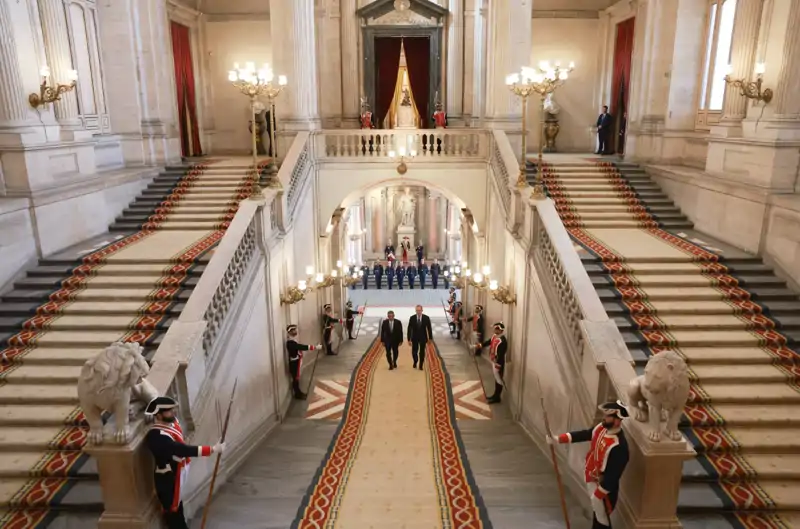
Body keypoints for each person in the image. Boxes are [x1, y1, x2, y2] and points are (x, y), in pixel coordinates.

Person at [144, 396, 225, 529]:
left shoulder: (171, 423)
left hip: (178, 473)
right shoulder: (155, 437)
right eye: (169, 411)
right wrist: (212, 449)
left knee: (178, 507)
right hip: (168, 479)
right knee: (173, 512)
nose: (173, 413)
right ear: (158, 415)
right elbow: (180, 449)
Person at [547, 402, 631, 529]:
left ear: (617, 421)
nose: (604, 418)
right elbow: (586, 434)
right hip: (592, 478)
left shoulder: (619, 447)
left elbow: (613, 476)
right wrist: (558, 439)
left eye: (608, 416)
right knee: (597, 514)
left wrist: (599, 494)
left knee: (602, 519)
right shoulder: (601, 428)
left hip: (604, 489)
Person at [286, 325, 323, 399]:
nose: (295, 332)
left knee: (296, 379)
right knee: (295, 379)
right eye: (293, 331)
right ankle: (297, 394)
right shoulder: (290, 343)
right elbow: (301, 347)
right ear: (290, 332)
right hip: (294, 364)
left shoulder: (293, 342)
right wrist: (315, 347)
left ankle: (298, 393)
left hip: (296, 362)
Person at [475, 322, 507, 403]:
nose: (495, 330)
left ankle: (497, 397)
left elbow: (501, 353)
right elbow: (488, 342)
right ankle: (495, 395)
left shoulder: (503, 340)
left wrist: (498, 363)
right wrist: (481, 345)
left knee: (498, 379)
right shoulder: (494, 337)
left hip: (498, 363)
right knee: (496, 379)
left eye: (496, 328)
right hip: (494, 361)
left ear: (500, 330)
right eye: (495, 328)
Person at [407, 305, 433, 370]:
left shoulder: (426, 318)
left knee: (422, 352)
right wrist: (409, 339)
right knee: (414, 352)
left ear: (422, 310)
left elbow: (429, 328)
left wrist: (430, 338)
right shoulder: (412, 318)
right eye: (417, 310)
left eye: (419, 310)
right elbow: (409, 329)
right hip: (414, 337)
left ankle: (421, 364)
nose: (418, 312)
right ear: (415, 310)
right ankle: (415, 361)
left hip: (423, 338)